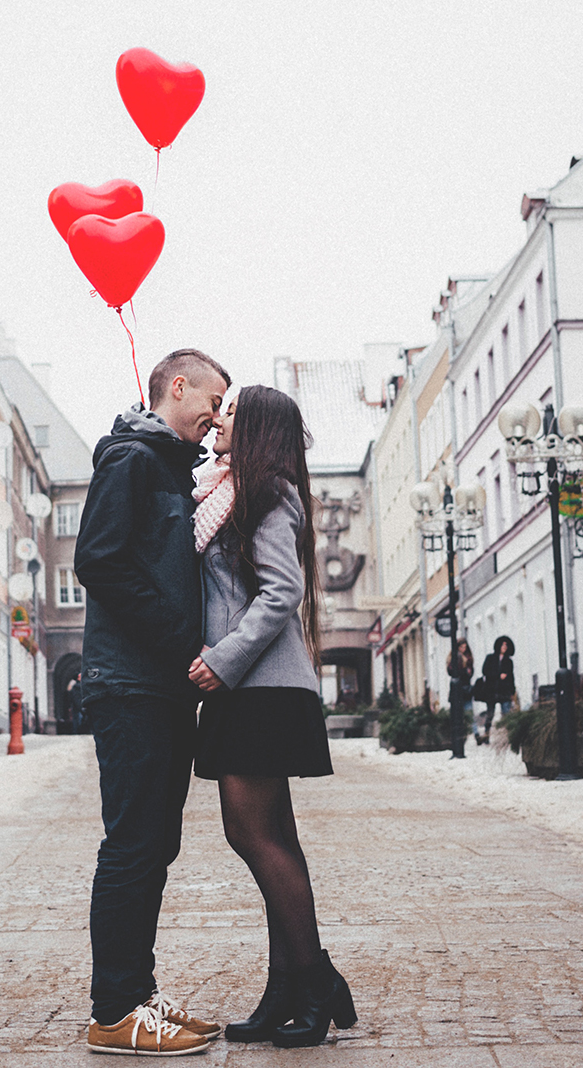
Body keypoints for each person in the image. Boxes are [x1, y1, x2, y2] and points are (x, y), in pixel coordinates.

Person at [188, 384, 356, 1048]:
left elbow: (282, 590)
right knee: (272, 839)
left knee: (254, 836)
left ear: (256, 427)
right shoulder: (224, 492)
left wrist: (223, 659)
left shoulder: (271, 493)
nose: (217, 422)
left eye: (229, 413)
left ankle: (312, 982)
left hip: (260, 686)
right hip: (248, 688)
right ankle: (290, 984)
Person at [76, 349, 231, 1056]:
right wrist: (180, 643)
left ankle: (138, 995)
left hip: (161, 684)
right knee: (134, 844)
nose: (217, 416)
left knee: (154, 844)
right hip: (132, 682)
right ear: (178, 386)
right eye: (213, 399)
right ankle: (114, 1010)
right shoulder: (131, 460)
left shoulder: (170, 467)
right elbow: (99, 561)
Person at [476, 635, 518, 744]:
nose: (504, 647)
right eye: (502, 645)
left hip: (504, 691)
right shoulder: (490, 658)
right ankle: (487, 734)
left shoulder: (508, 661)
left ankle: (508, 736)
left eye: (506, 645)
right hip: (491, 691)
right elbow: (485, 671)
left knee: (506, 714)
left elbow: (511, 677)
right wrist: (498, 676)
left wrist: (512, 691)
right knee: (490, 714)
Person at [446, 638, 475, 759]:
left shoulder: (468, 658)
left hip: (465, 689)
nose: (463, 649)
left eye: (464, 647)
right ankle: (462, 738)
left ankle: (475, 733)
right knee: (458, 714)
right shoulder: (454, 658)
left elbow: (469, 672)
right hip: (457, 690)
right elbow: (452, 671)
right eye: (461, 647)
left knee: (468, 711)